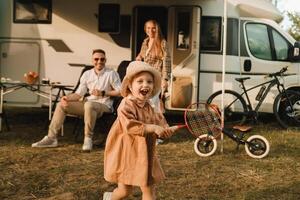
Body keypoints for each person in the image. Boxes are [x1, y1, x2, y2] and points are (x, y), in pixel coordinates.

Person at [103, 61, 175, 200]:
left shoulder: (149, 106)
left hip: (145, 153)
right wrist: (153, 128)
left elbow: (159, 121)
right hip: (126, 152)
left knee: (149, 189)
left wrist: (165, 130)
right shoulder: (126, 104)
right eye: (140, 81)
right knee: (125, 191)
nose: (145, 85)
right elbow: (130, 126)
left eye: (149, 81)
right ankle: (109, 198)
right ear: (130, 86)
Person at [32, 49, 122, 151]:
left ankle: (88, 139)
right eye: (96, 59)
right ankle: (51, 138)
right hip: (88, 104)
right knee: (61, 105)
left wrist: (103, 93)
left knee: (89, 105)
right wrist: (66, 98)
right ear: (92, 61)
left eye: (102, 59)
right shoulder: (87, 74)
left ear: (105, 60)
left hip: (104, 105)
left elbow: (120, 91)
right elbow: (79, 94)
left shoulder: (111, 73)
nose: (99, 61)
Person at [136, 19, 171, 113]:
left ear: (157, 29)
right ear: (145, 29)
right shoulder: (145, 41)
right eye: (148, 28)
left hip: (156, 77)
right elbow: (142, 55)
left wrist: (165, 79)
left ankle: (158, 123)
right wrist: (139, 57)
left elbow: (166, 62)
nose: (151, 30)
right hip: (146, 77)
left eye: (153, 28)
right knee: (146, 101)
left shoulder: (162, 43)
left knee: (153, 102)